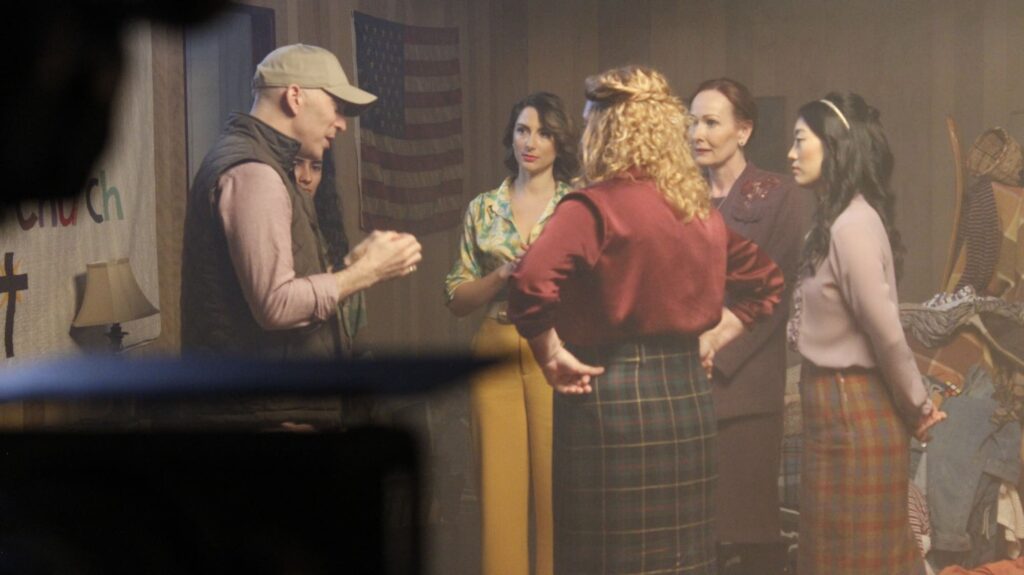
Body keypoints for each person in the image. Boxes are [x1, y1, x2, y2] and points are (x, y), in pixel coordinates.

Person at [508, 66, 785, 575]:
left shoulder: (592, 208)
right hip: (687, 404)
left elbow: (528, 282)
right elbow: (767, 281)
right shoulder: (695, 210)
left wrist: (549, 353)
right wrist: (712, 338)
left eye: (590, 123)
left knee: (604, 562)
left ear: (606, 131)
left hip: (607, 399)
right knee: (682, 562)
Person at [787, 93, 947, 575]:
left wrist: (919, 405)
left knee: (858, 560)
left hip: (853, 411)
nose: (791, 154)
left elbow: (887, 334)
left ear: (835, 145)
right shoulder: (832, 221)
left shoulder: (852, 225)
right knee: (832, 557)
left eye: (800, 141)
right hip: (832, 410)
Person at [181, 43, 420, 361]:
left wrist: (350, 266)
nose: (342, 123)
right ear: (295, 97)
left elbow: (284, 286)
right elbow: (276, 305)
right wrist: (367, 271)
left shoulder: (270, 166)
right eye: (336, 106)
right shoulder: (256, 172)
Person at [444, 92, 578, 575]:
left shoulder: (577, 205)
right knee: (498, 488)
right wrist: (501, 275)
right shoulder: (483, 209)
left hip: (558, 347)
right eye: (523, 130)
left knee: (557, 487)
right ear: (511, 136)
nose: (531, 142)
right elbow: (456, 296)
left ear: (560, 142)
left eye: (544, 133)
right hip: (495, 345)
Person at [689, 78, 805, 574]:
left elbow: (776, 293)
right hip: (685, 380)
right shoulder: (679, 196)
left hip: (747, 386)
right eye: (693, 121)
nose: (698, 133)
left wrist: (718, 349)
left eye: (711, 122)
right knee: (694, 536)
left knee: (750, 532)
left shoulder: (778, 195)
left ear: (743, 131)